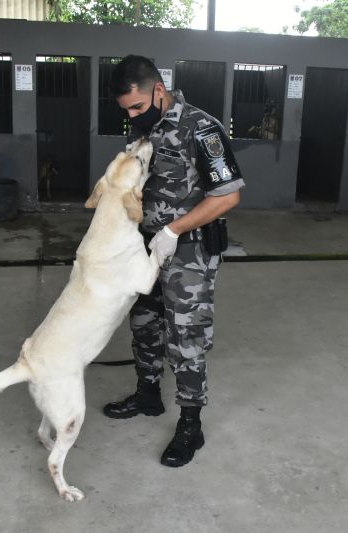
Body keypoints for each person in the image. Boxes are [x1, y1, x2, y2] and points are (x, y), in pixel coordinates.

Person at [103, 55, 245, 467]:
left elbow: (228, 195)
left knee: (185, 336)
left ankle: (190, 424)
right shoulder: (145, 128)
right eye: (126, 110)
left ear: (159, 91)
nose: (132, 116)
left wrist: (172, 231)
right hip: (145, 249)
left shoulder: (203, 128)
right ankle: (148, 396)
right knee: (145, 323)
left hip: (190, 254)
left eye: (138, 107)